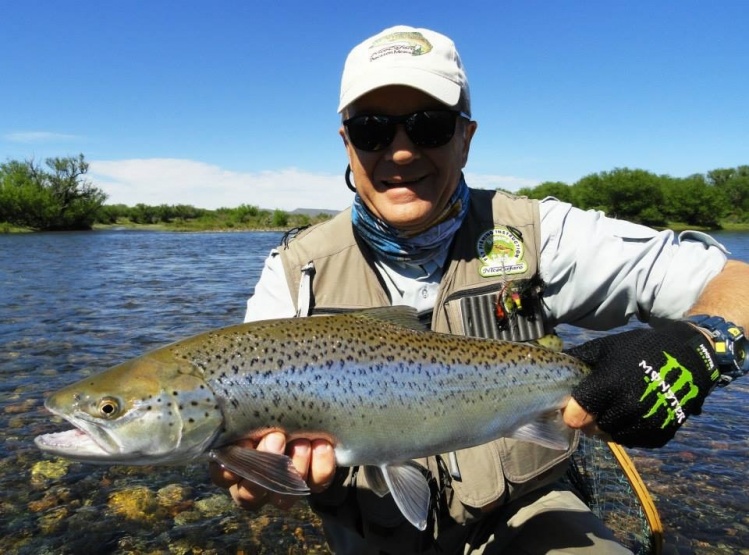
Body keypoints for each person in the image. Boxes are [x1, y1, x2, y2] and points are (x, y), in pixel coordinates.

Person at [211, 25, 749, 554]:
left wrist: (702, 344)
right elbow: (243, 447)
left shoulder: (542, 233)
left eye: (429, 126)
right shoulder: (292, 272)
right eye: (373, 130)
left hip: (528, 518)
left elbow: (735, 282)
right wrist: (252, 471)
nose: (400, 152)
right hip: (371, 538)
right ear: (347, 142)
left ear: (465, 138)